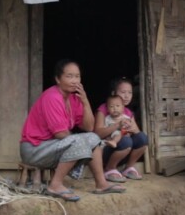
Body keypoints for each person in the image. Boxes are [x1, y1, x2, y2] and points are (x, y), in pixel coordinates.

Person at [20, 60, 126, 201]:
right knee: (81, 140)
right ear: (58, 79)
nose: (74, 80)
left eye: (77, 76)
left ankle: (101, 184)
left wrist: (85, 101)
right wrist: (81, 143)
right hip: (34, 149)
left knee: (93, 138)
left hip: (53, 147)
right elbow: (60, 134)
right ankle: (55, 185)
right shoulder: (52, 97)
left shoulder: (73, 98)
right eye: (69, 76)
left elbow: (89, 128)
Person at [94, 77, 149, 181]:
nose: (127, 96)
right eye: (123, 92)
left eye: (130, 92)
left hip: (123, 152)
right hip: (106, 151)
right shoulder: (103, 109)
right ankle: (109, 168)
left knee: (142, 138)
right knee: (126, 141)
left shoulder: (128, 112)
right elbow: (98, 133)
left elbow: (136, 132)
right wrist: (117, 125)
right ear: (114, 93)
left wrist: (130, 128)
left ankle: (128, 168)